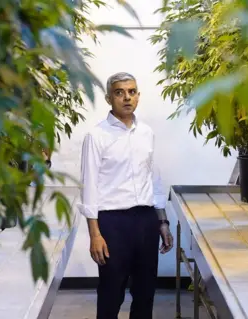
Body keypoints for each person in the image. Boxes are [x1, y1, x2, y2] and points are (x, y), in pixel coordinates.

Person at [78, 72, 174, 319]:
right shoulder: (96, 137)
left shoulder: (146, 133)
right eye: (119, 92)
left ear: (138, 96)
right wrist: (94, 234)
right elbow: (89, 188)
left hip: (145, 220)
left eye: (132, 92)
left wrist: (162, 221)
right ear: (109, 98)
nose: (127, 98)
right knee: (111, 292)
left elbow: (154, 179)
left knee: (145, 293)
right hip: (113, 224)